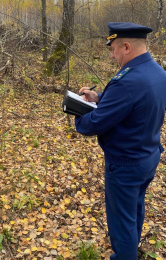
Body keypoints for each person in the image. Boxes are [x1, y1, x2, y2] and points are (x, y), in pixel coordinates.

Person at [75, 22, 166, 260]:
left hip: (126, 164)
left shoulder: (126, 81)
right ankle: (130, 252)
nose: (112, 55)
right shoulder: (157, 72)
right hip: (148, 156)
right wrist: (99, 97)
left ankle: (125, 256)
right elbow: (133, 102)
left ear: (126, 46)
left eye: (113, 49)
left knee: (121, 223)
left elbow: (92, 124)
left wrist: (77, 111)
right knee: (134, 210)